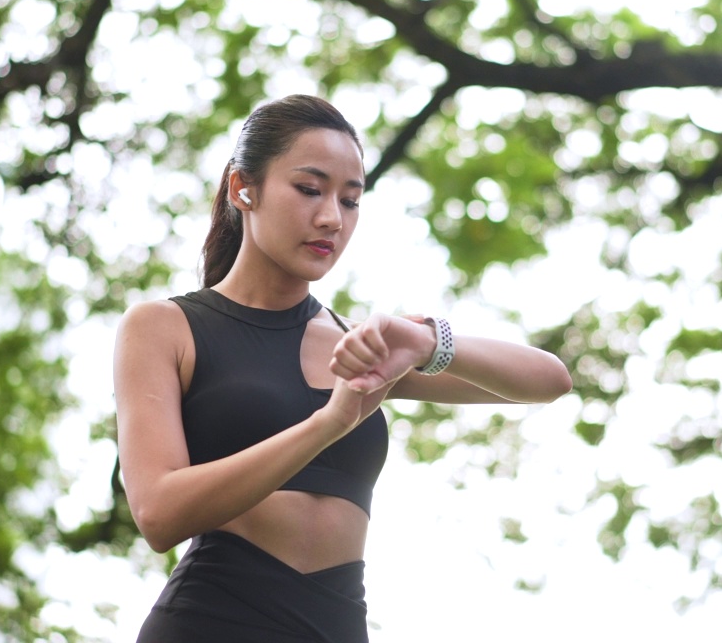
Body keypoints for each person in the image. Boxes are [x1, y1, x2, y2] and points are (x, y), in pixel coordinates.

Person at [113, 94, 573, 642]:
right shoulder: (164, 328)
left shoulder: (361, 351)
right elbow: (159, 513)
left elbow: (549, 381)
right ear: (244, 188)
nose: (331, 217)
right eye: (309, 189)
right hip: (210, 623)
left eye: (350, 201)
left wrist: (427, 342)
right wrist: (329, 423)